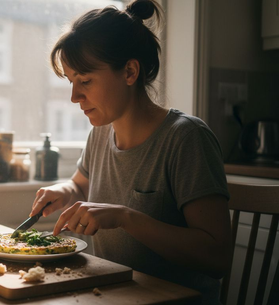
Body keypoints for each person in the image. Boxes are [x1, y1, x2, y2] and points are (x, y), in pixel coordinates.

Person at [29, 0, 232, 304]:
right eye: (72, 82)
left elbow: (217, 257)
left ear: (130, 72)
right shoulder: (100, 131)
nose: (74, 97)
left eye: (85, 81)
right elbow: (80, 185)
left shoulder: (187, 139)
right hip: (112, 295)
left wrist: (125, 217)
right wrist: (64, 190)